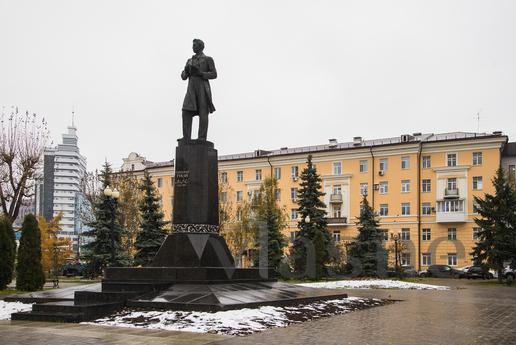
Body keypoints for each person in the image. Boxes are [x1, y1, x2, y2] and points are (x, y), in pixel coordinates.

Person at [181, 39, 217, 141]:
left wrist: (201, 73)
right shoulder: (189, 61)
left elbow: (214, 74)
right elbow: (183, 76)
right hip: (191, 89)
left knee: (203, 112)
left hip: (202, 88)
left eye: (195, 45)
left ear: (201, 47)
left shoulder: (208, 59)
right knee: (185, 111)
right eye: (192, 45)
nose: (193, 47)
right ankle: (186, 137)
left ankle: (202, 137)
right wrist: (186, 71)